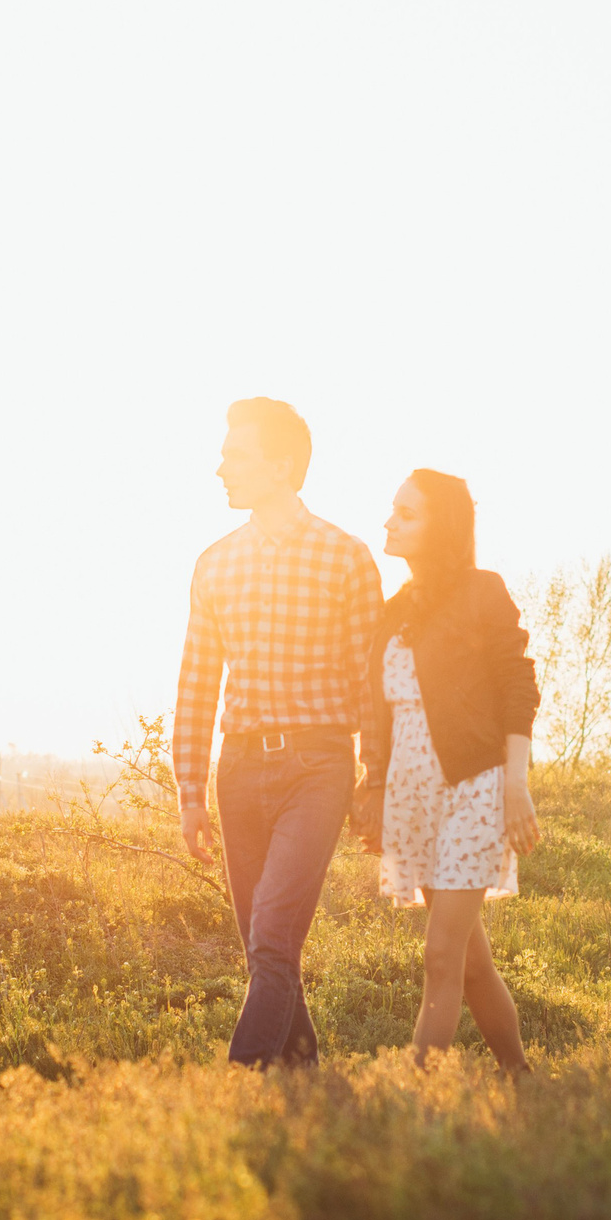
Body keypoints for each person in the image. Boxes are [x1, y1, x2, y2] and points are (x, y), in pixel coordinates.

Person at [173, 398, 385, 1068]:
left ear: (283, 465)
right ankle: (303, 1071)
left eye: (235, 455)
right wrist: (188, 791)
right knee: (267, 945)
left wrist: (373, 778)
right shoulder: (213, 564)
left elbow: (370, 684)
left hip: (316, 768)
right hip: (235, 771)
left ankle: (240, 1083)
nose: (219, 468)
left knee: (270, 937)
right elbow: (197, 682)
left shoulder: (346, 559)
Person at [354, 469, 542, 1071]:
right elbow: (377, 714)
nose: (390, 521)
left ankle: (417, 1092)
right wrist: (373, 785)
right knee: (469, 961)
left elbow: (518, 687)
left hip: (475, 788)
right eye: (393, 510)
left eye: (406, 513)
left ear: (443, 527)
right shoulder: (394, 612)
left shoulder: (483, 592)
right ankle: (522, 1078)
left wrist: (515, 782)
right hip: (413, 795)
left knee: (440, 955)